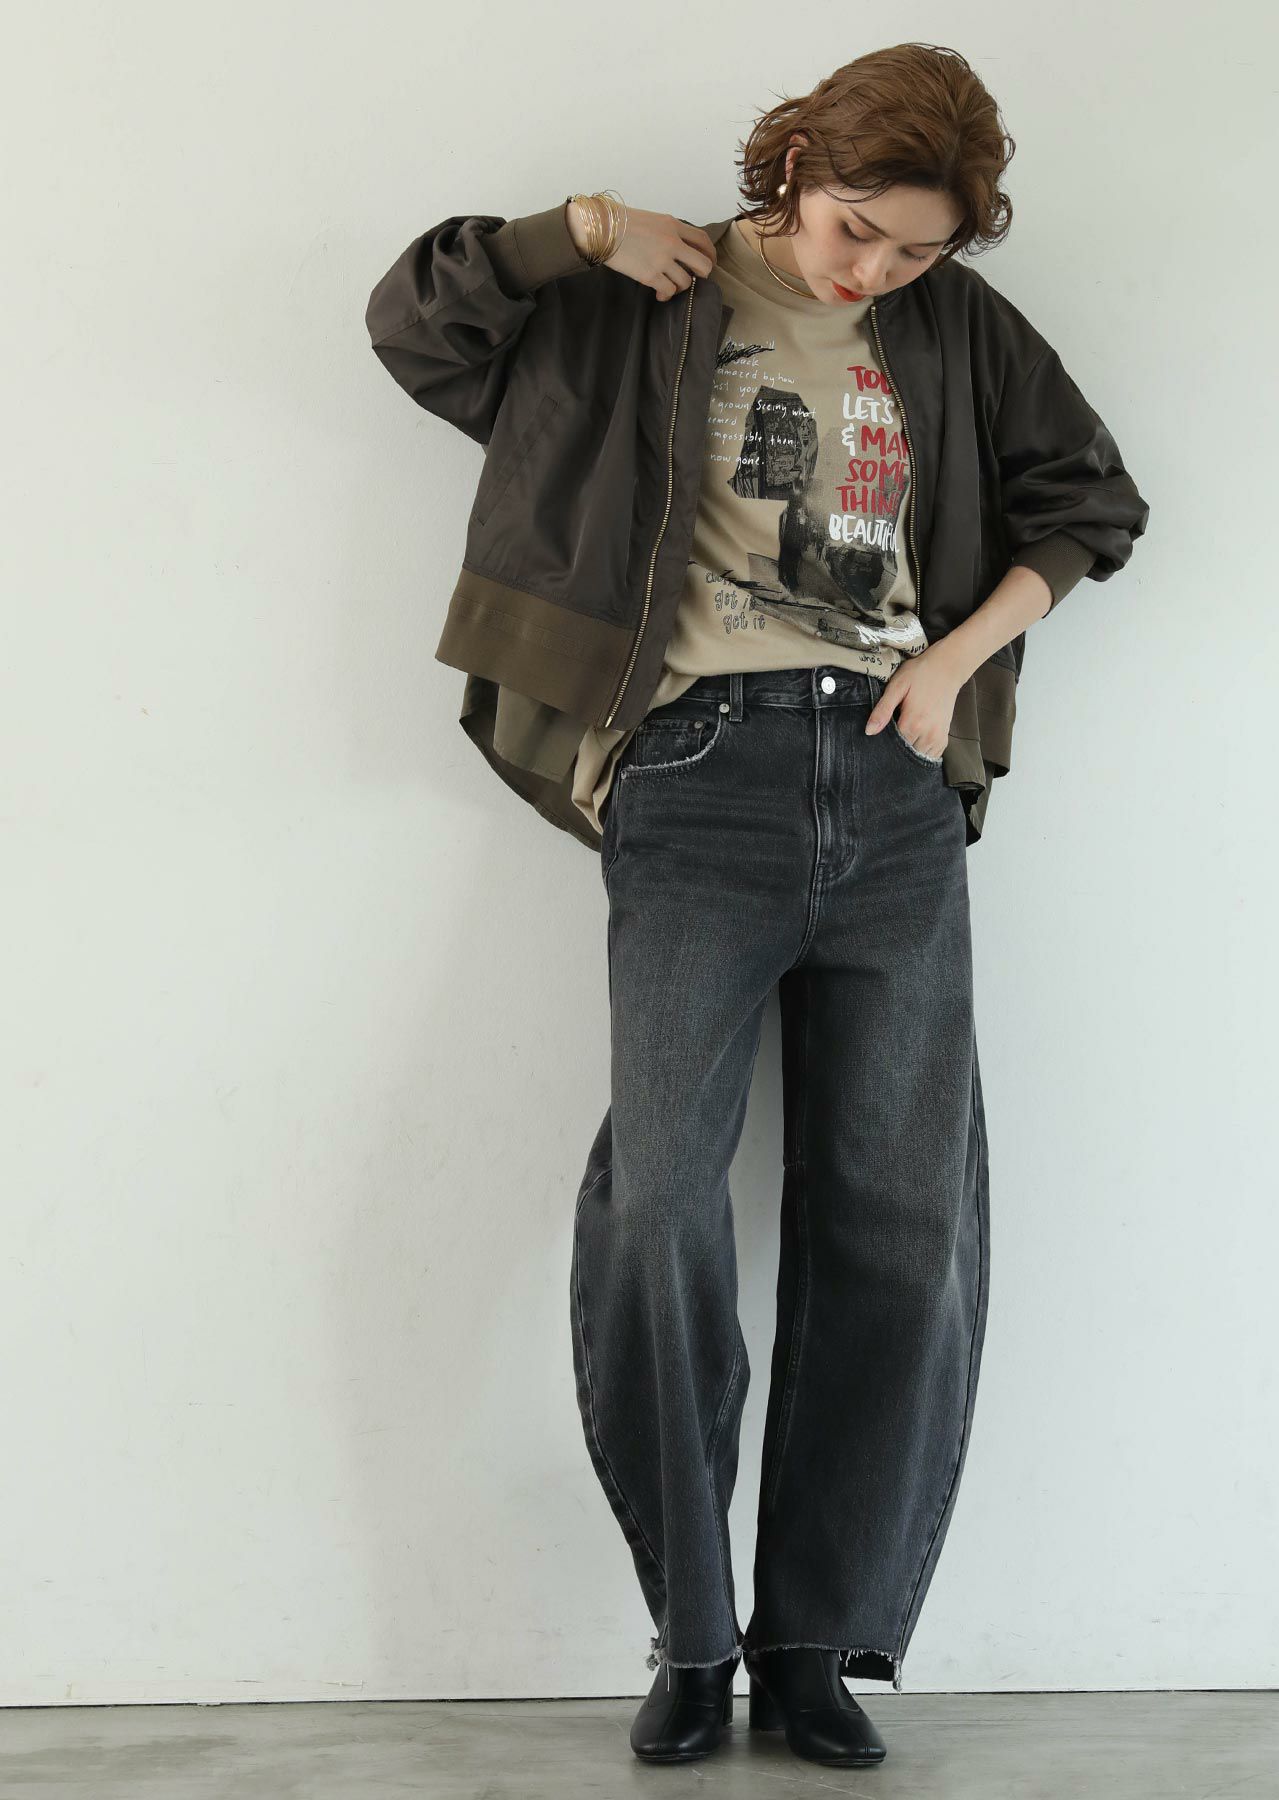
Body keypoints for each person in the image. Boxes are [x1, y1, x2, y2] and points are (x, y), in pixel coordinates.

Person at [365, 41, 1148, 1771]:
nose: (874, 272)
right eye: (858, 228)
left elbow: (1092, 500)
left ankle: (809, 1644)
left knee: (901, 1220)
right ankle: (694, 1629)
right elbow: (418, 331)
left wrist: (956, 660)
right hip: (694, 780)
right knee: (659, 1209)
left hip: (891, 782)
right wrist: (577, 231)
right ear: (795, 167)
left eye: (916, 251)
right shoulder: (646, 292)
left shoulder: (957, 333)